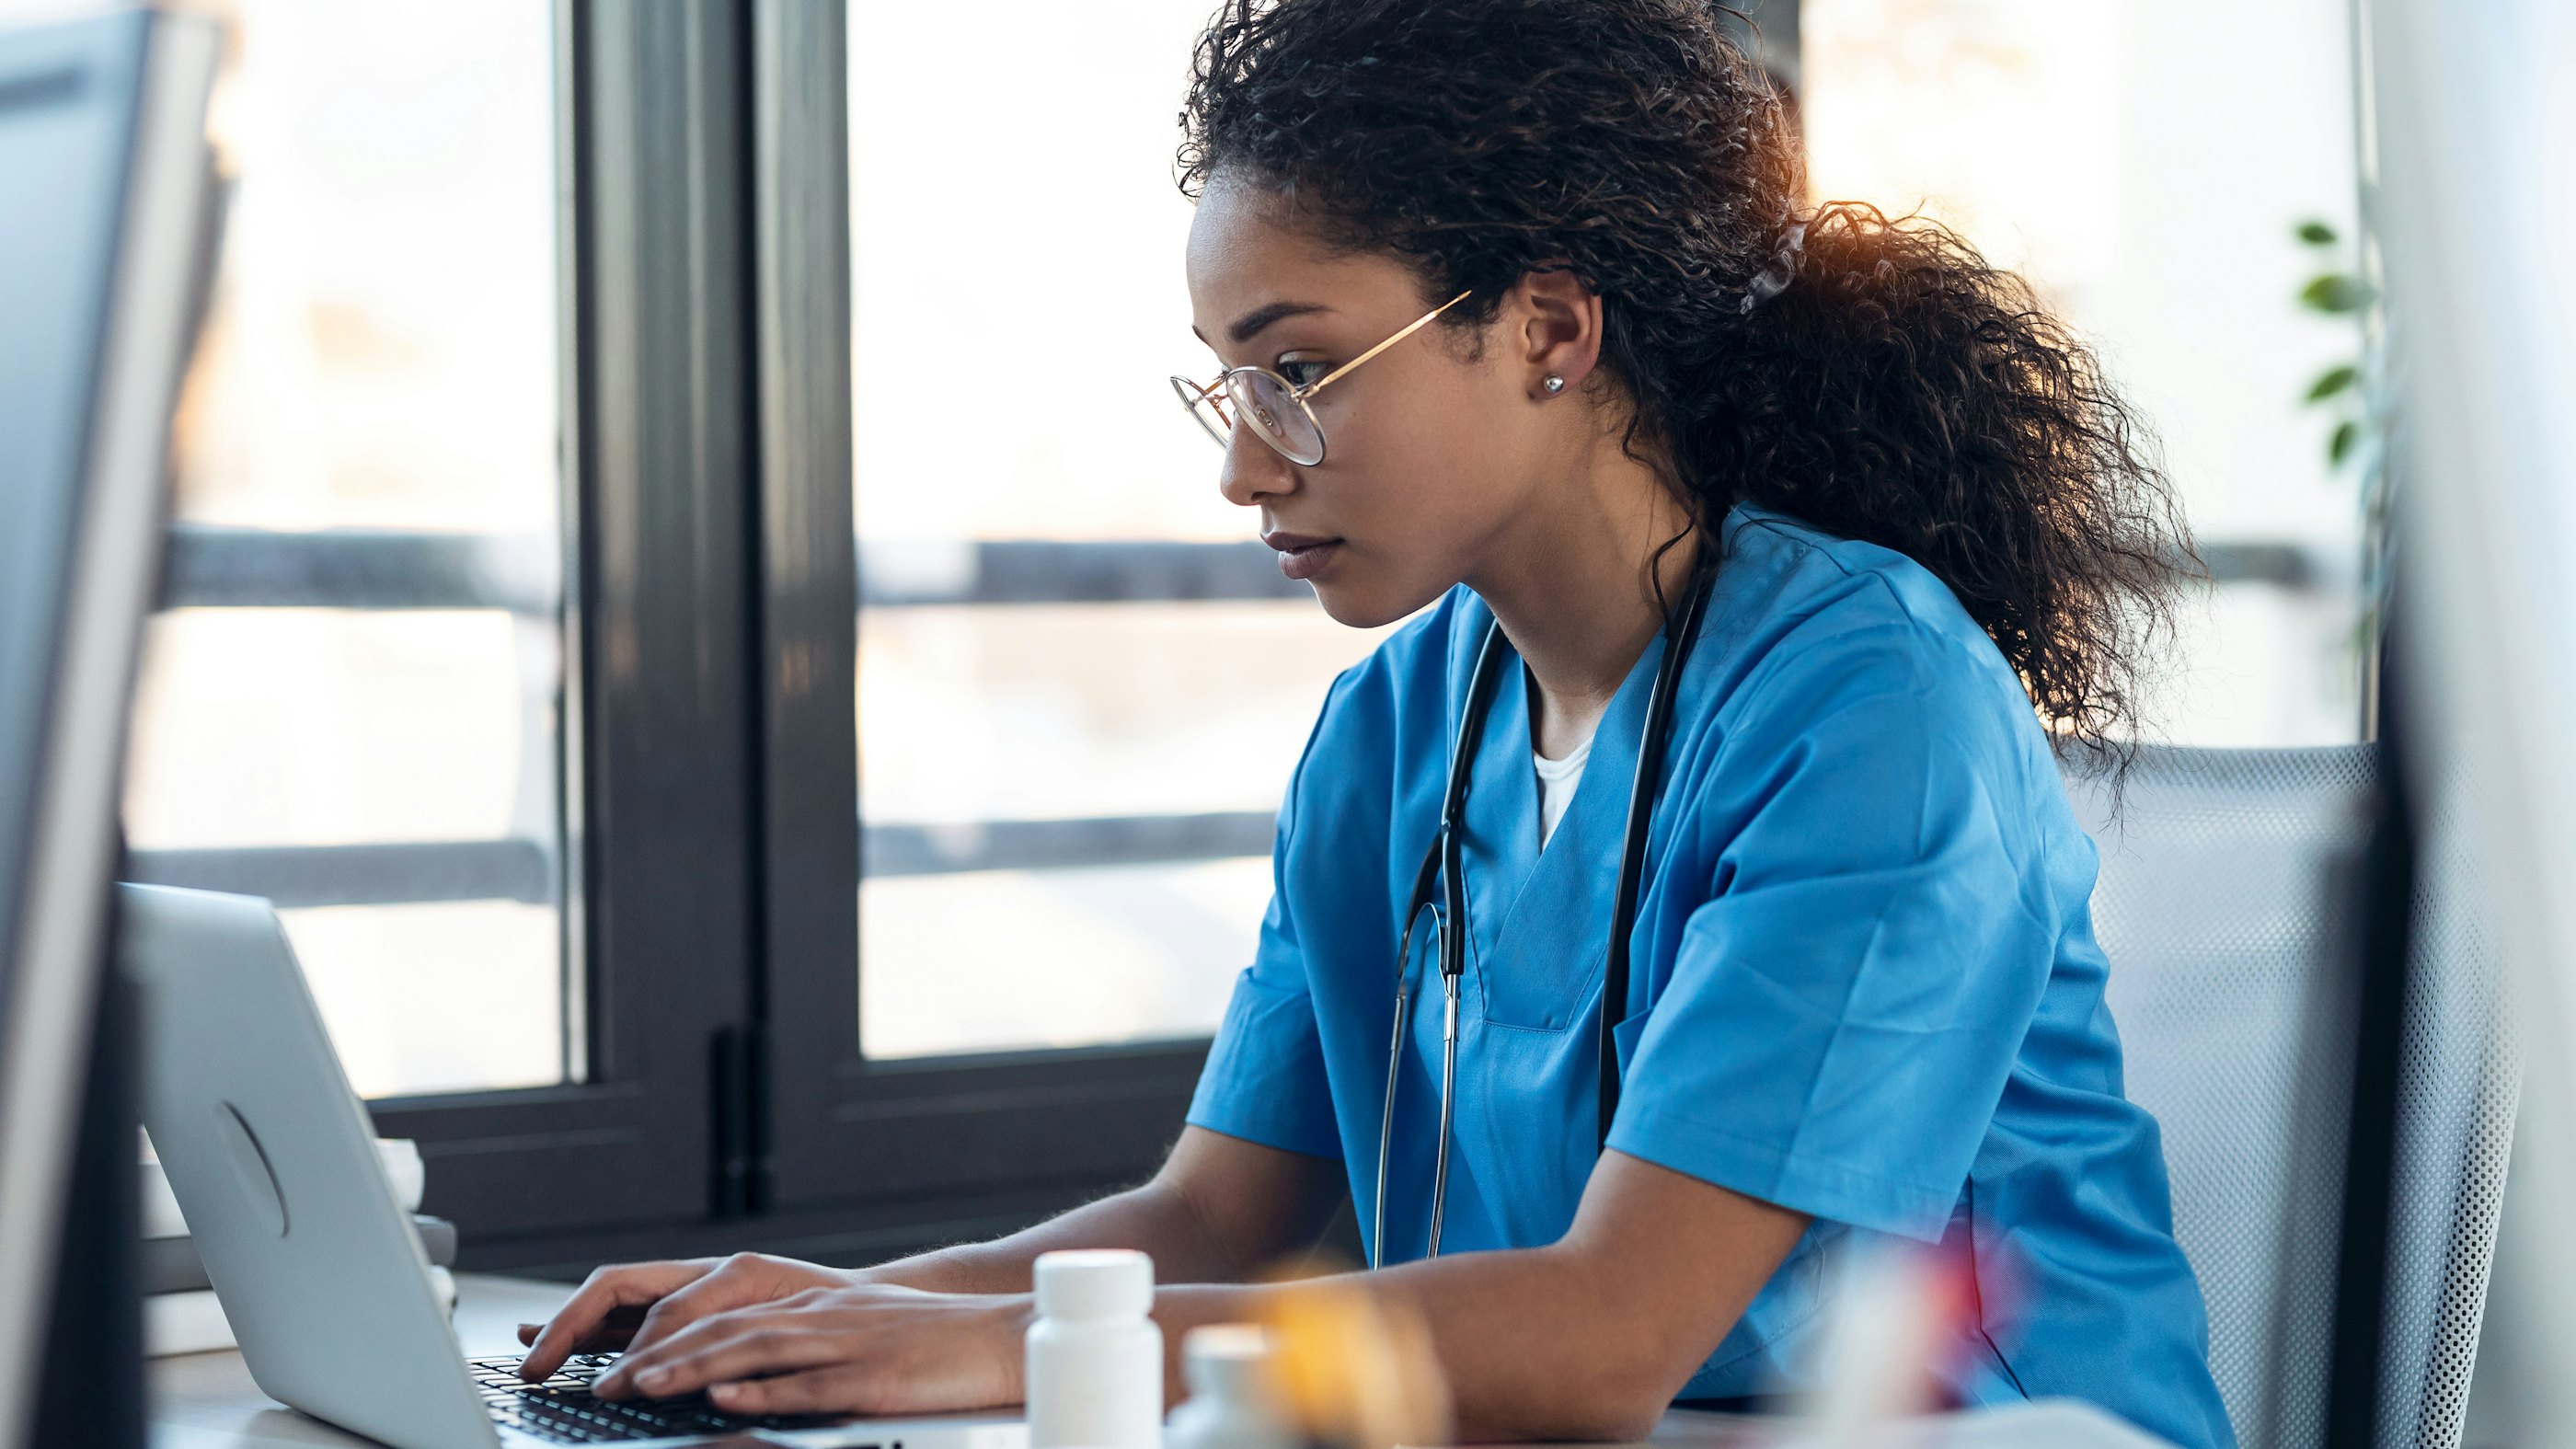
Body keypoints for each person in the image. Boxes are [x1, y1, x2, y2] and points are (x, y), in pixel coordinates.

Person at [519, 2, 2235, 1444]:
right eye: (1227, 382)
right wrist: (815, 1311)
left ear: (1549, 329)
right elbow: (1210, 1218)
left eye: (1302, 372)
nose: (1244, 464)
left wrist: (995, 1351)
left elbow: (1613, 1331)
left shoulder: (1873, 705)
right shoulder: (1393, 732)